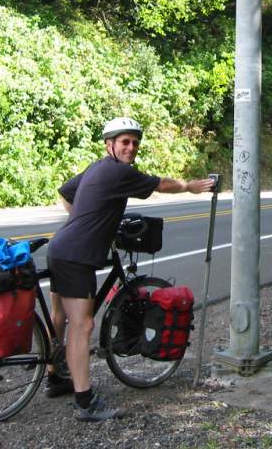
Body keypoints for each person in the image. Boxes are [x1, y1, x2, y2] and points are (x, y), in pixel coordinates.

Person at [45, 117, 214, 422]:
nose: (131, 147)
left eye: (135, 142)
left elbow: (66, 193)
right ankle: (85, 401)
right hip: (77, 256)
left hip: (61, 248)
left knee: (60, 316)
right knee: (82, 326)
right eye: (125, 141)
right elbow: (160, 184)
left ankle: (55, 377)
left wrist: (88, 221)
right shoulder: (119, 172)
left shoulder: (96, 168)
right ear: (110, 144)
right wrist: (190, 186)